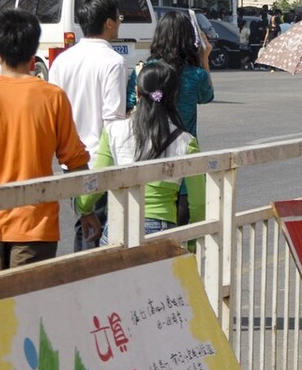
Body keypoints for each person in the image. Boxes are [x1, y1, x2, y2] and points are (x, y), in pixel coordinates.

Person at [0, 9, 91, 273]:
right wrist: (86, 209)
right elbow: (74, 161)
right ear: (33, 50)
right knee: (30, 309)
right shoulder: (53, 97)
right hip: (38, 225)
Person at [75, 61, 205, 241]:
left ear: (137, 92)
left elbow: (97, 181)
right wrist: (192, 242)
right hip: (161, 230)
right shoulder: (186, 142)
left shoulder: (113, 132)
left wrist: (83, 208)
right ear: (174, 95)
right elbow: (198, 203)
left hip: (117, 226)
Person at [48, 0, 127, 251]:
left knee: (83, 223)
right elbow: (112, 119)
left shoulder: (62, 61)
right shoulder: (113, 62)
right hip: (99, 159)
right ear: (109, 23)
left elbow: (54, 113)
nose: (119, 21)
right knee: (98, 230)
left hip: (69, 161)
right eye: (118, 17)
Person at [129, 11, 214, 139]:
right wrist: (204, 59)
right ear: (189, 39)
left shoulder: (143, 71)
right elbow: (207, 96)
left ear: (158, 36)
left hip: (150, 147)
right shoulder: (196, 75)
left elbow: (130, 104)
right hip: (184, 147)